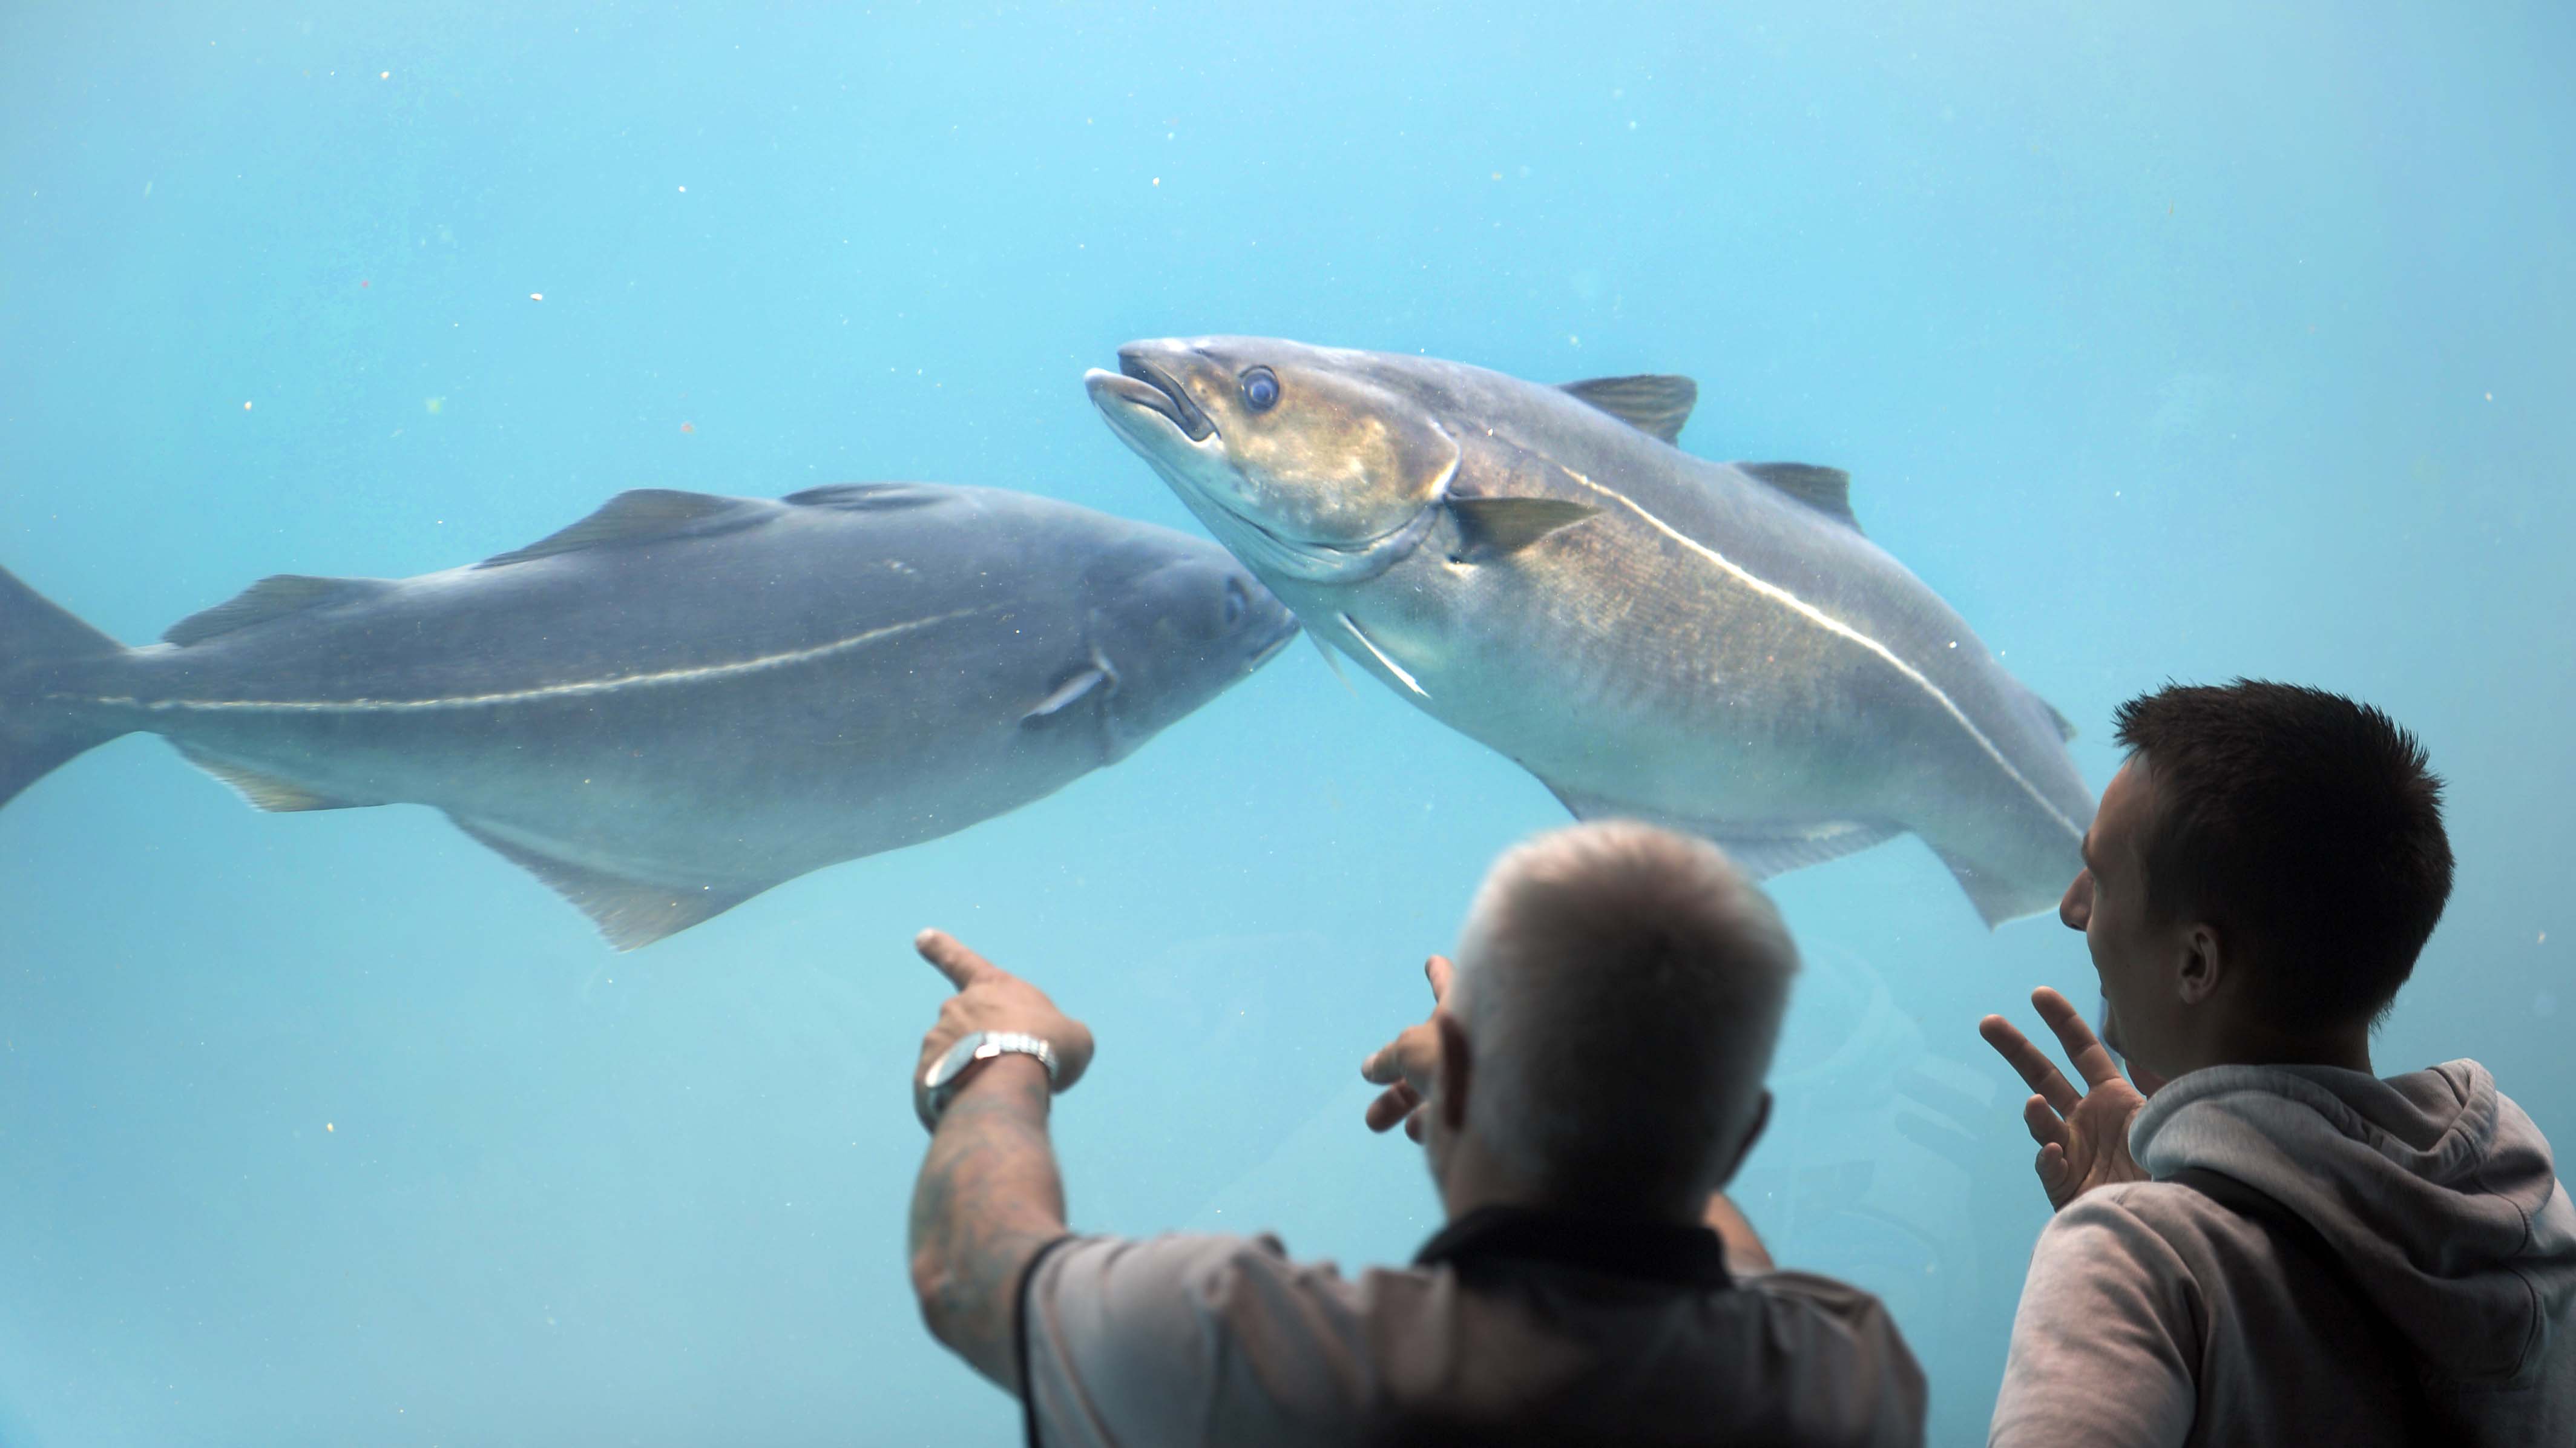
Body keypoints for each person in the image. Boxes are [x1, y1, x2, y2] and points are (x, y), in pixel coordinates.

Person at [905, 820, 1926, 1446]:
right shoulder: (1849, 1373)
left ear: (1463, 1081)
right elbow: (1734, 1264)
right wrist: (1517, 1091)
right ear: (1743, 1137)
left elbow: (971, 1270)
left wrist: (1003, 1052)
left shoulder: (1258, 1353)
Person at [1979, 680, 2576, 1446]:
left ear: (2196, 962)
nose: (2071, 908)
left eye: (2099, 874)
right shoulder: (2533, 1220)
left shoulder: (2137, 1262)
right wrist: (2177, 1201)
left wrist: (2141, 1249)